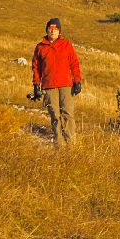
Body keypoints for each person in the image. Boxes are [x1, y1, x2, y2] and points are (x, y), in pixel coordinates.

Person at [32, 17, 83, 147]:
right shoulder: (40, 47)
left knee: (67, 114)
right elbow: (36, 67)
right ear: (47, 30)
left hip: (66, 85)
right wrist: (36, 85)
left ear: (59, 31)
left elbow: (74, 63)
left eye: (55, 29)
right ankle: (60, 145)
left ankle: (71, 145)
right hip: (49, 86)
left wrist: (77, 81)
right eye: (50, 28)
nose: (53, 31)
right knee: (55, 116)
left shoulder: (66, 44)